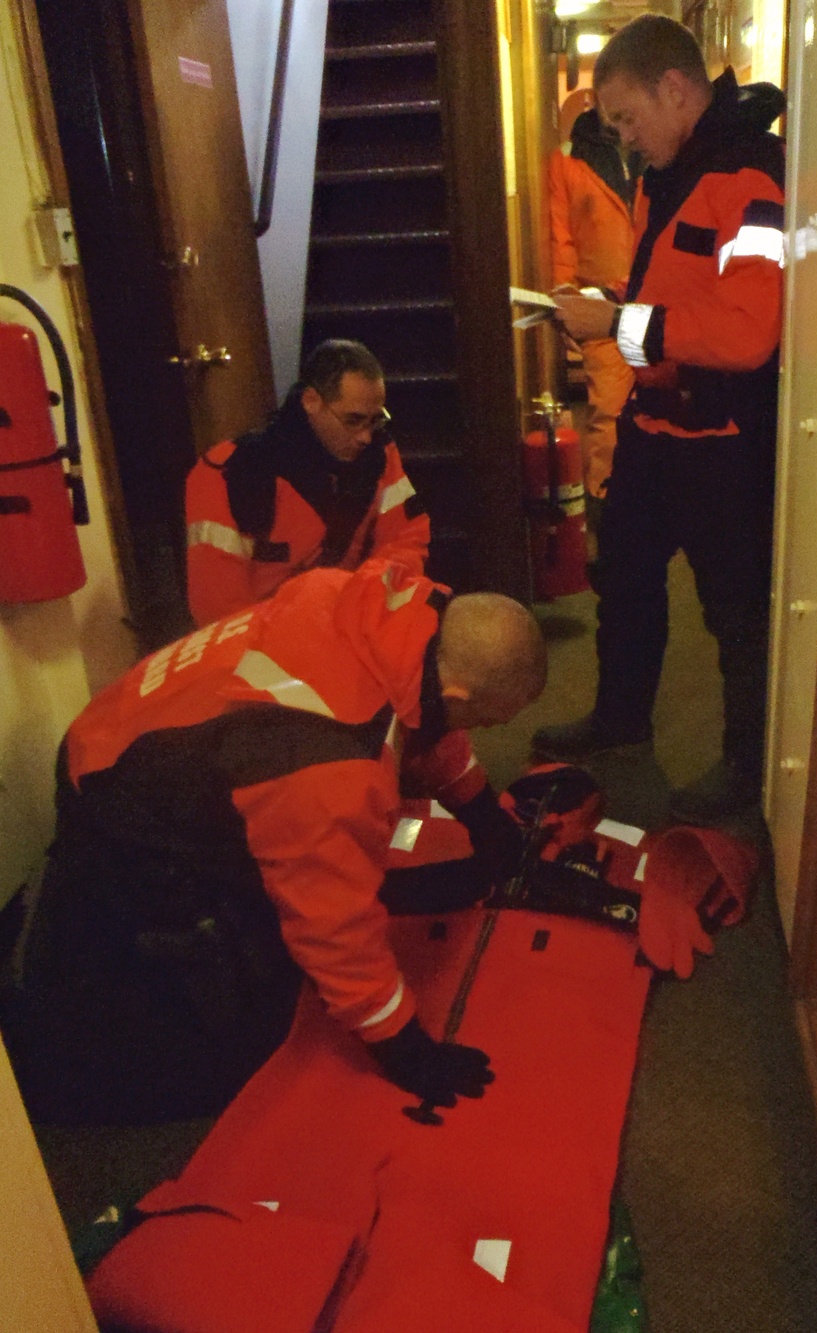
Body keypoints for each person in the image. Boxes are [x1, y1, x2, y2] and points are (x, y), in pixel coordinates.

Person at [3, 558, 545, 1125]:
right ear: (456, 692)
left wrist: (481, 811)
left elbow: (423, 711)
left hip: (127, 728)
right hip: (124, 804)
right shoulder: (324, 766)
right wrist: (403, 1048)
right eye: (485, 720)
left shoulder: (388, 608)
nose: (477, 733)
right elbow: (333, 928)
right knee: (244, 1034)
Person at [533, 16, 785, 820]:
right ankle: (619, 722)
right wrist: (608, 308)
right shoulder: (660, 177)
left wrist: (618, 327)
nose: (624, 139)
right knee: (627, 582)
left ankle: (748, 767)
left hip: (725, 441)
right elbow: (666, 299)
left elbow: (749, 333)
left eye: (625, 119)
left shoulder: (754, 178)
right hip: (655, 423)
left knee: (737, 613)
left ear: (675, 89)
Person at [185, 339, 429, 627]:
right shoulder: (227, 473)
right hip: (262, 643)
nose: (365, 436)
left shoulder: (379, 455)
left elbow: (406, 540)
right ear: (311, 401)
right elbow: (219, 611)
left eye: (375, 420)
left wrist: (364, 600)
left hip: (350, 623)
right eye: (353, 420)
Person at [548, 105, 639, 500]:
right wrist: (565, 302)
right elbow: (560, 239)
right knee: (610, 416)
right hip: (602, 308)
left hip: (660, 300)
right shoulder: (567, 161)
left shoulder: (653, 148)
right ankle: (607, 507)